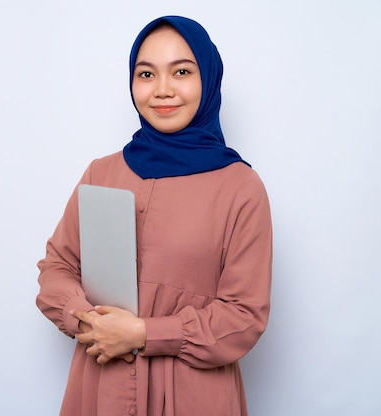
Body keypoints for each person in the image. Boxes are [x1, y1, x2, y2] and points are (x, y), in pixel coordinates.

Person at [36, 15, 272, 416]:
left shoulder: (240, 187)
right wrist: (90, 322)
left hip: (193, 395)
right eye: (146, 74)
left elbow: (244, 316)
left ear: (208, 79)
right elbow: (57, 267)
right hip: (101, 387)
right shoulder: (103, 172)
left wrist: (144, 333)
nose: (162, 90)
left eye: (181, 71)